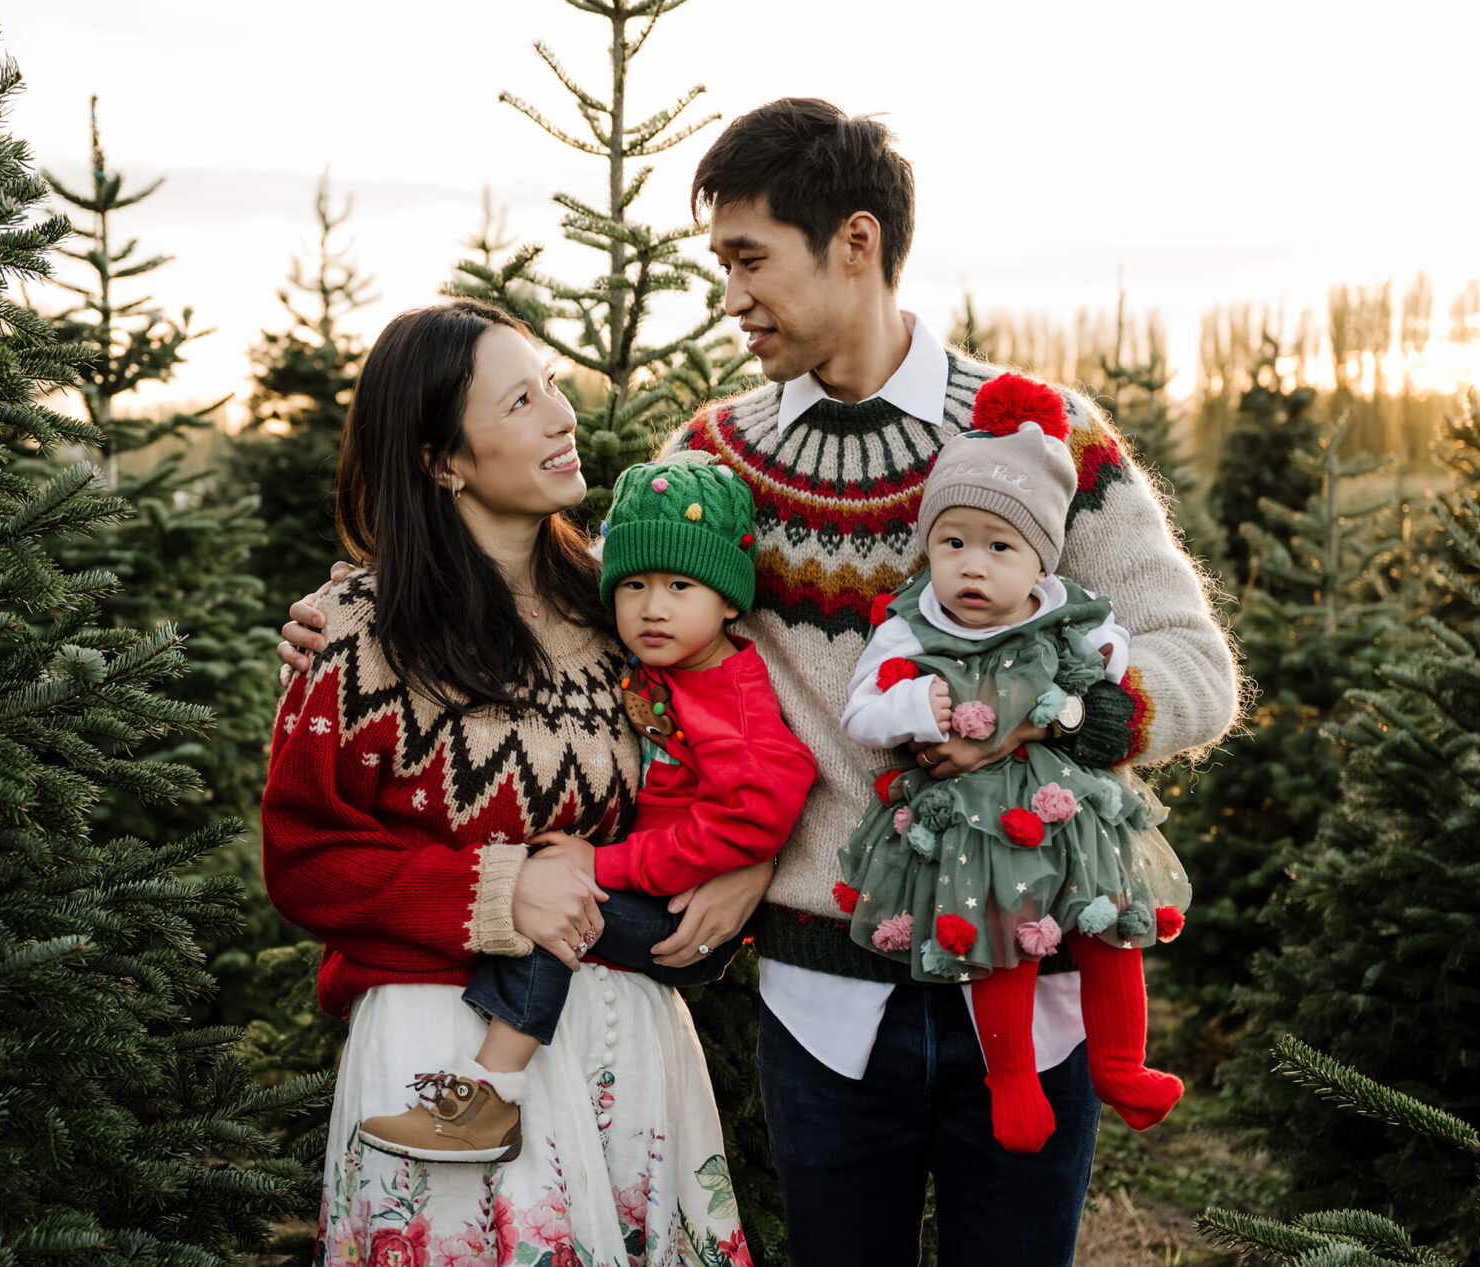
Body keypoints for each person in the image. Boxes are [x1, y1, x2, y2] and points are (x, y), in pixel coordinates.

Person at [279, 100, 1240, 1266]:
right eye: (718, 263)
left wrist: (1029, 719)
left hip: (1030, 998)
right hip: (822, 1010)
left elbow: (1194, 668)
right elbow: (578, 617)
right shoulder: (711, 458)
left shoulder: (1037, 439)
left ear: (854, 242)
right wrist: (357, 612)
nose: (728, 296)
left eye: (749, 259)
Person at [261, 299, 752, 1265]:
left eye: (552, 386)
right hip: (444, 1055)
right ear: (441, 459)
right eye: (520, 402)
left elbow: (754, 736)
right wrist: (498, 889)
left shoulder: (629, 610)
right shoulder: (359, 634)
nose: (562, 416)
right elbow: (304, 863)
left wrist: (748, 867)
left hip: (625, 1048)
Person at [357, 456, 817, 1165]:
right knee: (549, 897)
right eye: (634, 585)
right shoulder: (669, 664)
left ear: (729, 601)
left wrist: (605, 864)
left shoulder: (734, 697)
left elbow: (753, 816)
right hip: (656, 889)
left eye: (680, 586)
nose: (653, 607)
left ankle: (488, 1099)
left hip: (683, 912)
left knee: (557, 910)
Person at [837, 372, 1190, 1156]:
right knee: (999, 936)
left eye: (999, 547)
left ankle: (1121, 1063)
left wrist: (1084, 687)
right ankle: (1012, 1078)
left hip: (1068, 813)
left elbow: (1111, 653)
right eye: (952, 543)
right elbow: (860, 710)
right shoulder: (912, 625)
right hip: (974, 826)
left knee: (1110, 924)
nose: (972, 566)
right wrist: (915, 704)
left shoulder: (1064, 609)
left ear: (1039, 561)